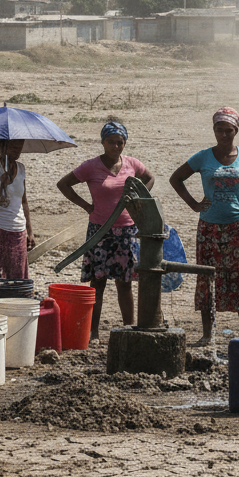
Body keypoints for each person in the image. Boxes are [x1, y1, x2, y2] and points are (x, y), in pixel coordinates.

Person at [169, 107, 239, 345]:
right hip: (209, 228)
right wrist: (194, 204)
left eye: (229, 130)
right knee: (208, 276)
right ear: (213, 130)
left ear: (236, 131)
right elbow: (176, 178)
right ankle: (207, 334)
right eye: (219, 130)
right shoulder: (202, 157)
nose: (224, 135)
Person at [57, 119, 154, 341]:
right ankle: (92, 332)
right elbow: (63, 184)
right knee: (97, 283)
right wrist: (86, 206)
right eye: (111, 142)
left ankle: (129, 329)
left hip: (127, 231)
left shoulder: (131, 164)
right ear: (103, 142)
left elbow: (149, 178)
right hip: (100, 231)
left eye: (120, 142)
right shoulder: (91, 166)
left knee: (125, 283)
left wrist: (139, 198)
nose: (116, 146)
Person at [0, 139, 35, 279]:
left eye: (19, 147)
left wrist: (30, 232)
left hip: (18, 230)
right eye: (13, 146)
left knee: (17, 277)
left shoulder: (21, 168)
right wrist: (1, 186)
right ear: (1, 145)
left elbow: (23, 202)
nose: (17, 151)